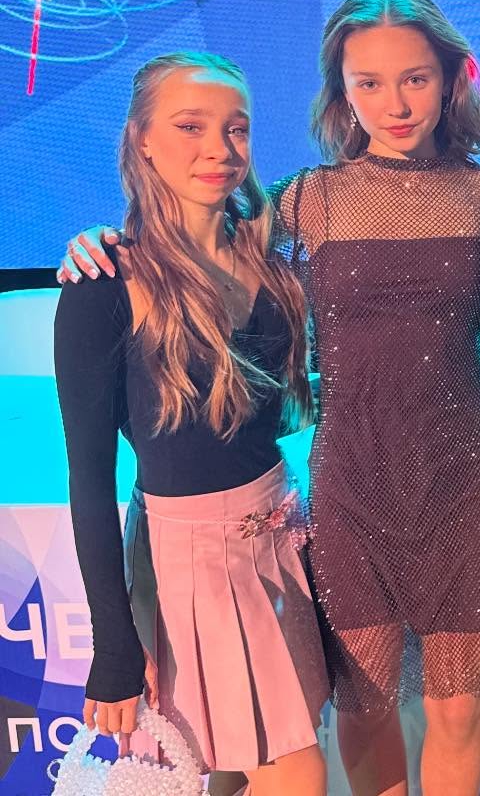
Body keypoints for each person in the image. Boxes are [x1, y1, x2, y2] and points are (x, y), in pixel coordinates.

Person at [59, 0, 480, 796]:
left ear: (451, 79)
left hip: (396, 507)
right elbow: (178, 247)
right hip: (307, 515)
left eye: (414, 78)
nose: (394, 103)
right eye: (368, 81)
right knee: (326, 737)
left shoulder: (478, 202)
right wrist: (95, 241)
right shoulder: (296, 205)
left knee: (425, 721)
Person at [55, 53, 328, 795]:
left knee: (238, 772)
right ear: (142, 139)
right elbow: (89, 480)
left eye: (236, 128)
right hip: (188, 573)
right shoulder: (104, 283)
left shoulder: (274, 259)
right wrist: (114, 644)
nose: (219, 149)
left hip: (282, 542)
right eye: (190, 127)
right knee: (293, 776)